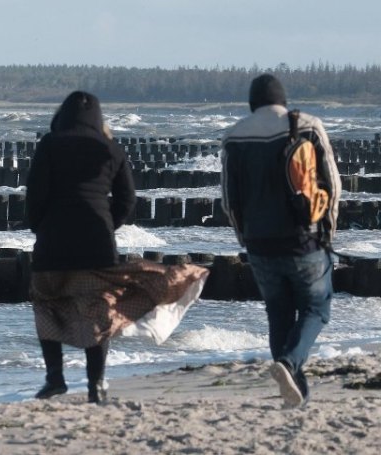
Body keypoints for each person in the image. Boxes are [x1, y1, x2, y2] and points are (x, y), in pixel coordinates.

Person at [27, 91, 208, 403]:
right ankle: (96, 384)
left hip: (53, 243)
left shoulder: (49, 145)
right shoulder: (110, 148)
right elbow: (127, 199)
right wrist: (109, 224)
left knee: (47, 304)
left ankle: (54, 378)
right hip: (96, 242)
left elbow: (35, 194)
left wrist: (40, 226)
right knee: (99, 309)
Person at [221, 73, 341, 408]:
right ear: (282, 99)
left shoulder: (234, 136)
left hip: (259, 244)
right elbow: (332, 184)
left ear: (252, 102)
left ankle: (296, 394)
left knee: (278, 313)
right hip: (304, 240)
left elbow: (230, 199)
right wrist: (327, 230)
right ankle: (289, 365)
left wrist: (244, 237)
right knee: (317, 307)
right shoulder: (307, 125)